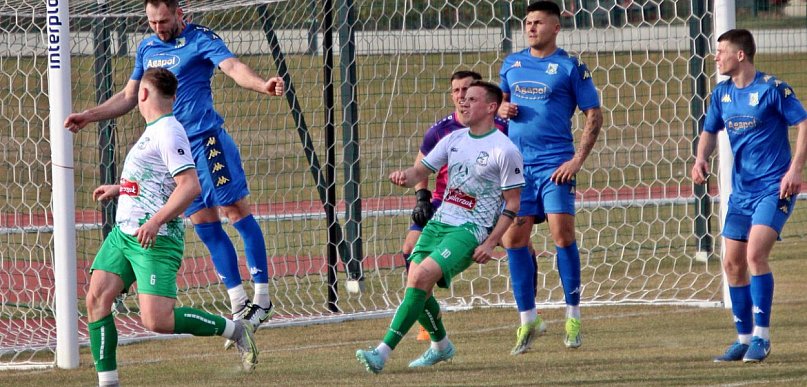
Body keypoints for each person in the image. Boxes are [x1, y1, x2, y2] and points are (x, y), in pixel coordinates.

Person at [64, 0, 284, 340]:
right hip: (173, 152)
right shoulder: (147, 47)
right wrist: (89, 116)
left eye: (163, 20)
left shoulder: (201, 39)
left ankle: (263, 297)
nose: (157, 27)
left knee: (234, 211)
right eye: (152, 21)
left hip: (206, 140)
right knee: (205, 225)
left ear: (179, 14)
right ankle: (239, 305)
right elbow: (129, 95)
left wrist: (262, 85)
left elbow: (233, 67)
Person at [84, 68, 260, 387]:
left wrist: (155, 221)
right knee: (97, 299)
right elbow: (157, 181)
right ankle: (107, 382)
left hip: (155, 238)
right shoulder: (153, 130)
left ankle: (236, 330)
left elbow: (189, 185)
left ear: (143, 94)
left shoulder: (168, 131)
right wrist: (120, 188)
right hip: (125, 233)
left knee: (157, 320)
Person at [355, 81, 524, 374]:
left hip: (470, 229)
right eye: (463, 99)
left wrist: (490, 242)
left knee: (420, 276)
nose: (463, 103)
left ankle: (381, 353)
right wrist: (404, 177)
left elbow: (512, 203)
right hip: (439, 222)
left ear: (491, 107)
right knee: (418, 285)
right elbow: (420, 171)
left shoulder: (504, 149)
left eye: (472, 99)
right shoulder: (453, 139)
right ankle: (441, 345)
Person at [692, 29, 807, 363]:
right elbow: (708, 132)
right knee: (731, 263)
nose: (716, 57)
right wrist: (701, 159)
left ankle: (762, 337)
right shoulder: (721, 94)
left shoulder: (773, 89)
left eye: (721, 51)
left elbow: (803, 124)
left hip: (775, 186)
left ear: (740, 55)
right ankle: (742, 339)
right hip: (741, 192)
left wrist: (795, 169)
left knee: (756, 254)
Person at [498, 0, 603, 353]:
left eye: (538, 22)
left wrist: (576, 161)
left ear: (556, 27)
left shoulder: (570, 67)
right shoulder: (511, 64)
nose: (531, 28)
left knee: (562, 233)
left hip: (555, 165)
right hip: (517, 168)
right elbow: (498, 107)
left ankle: (573, 316)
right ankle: (529, 321)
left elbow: (594, 116)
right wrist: (501, 108)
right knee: (513, 241)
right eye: (527, 22)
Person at [403, 70, 509, 341]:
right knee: (409, 248)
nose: (462, 96)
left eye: (467, 91)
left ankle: (529, 311)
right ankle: (425, 317)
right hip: (444, 201)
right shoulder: (442, 130)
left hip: (486, 205)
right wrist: (422, 198)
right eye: (456, 91)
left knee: (518, 242)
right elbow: (421, 165)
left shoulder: (500, 128)